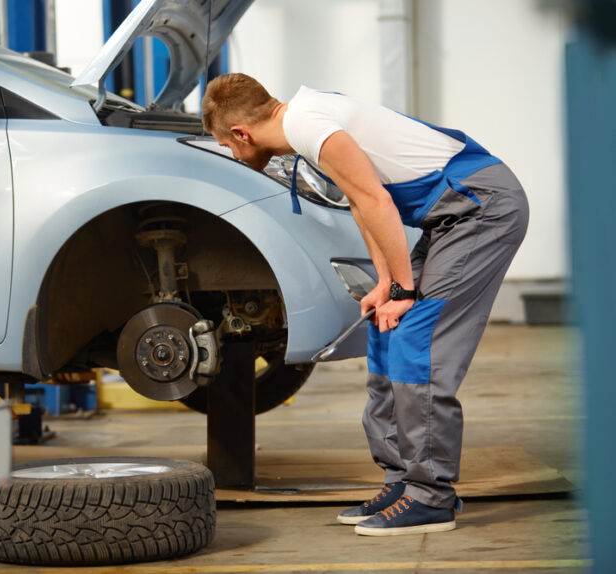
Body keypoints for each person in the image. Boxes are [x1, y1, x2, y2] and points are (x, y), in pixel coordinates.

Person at [201, 73, 529, 536]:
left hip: (481, 206)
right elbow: (361, 201)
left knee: (420, 338)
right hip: (451, 215)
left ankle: (431, 496)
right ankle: (402, 481)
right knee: (385, 326)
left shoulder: (309, 127)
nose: (234, 156)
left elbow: (377, 201)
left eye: (228, 146)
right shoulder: (305, 121)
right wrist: (385, 283)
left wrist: (405, 290)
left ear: (241, 133)